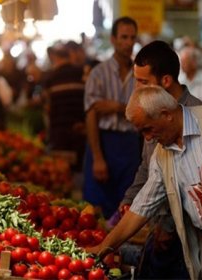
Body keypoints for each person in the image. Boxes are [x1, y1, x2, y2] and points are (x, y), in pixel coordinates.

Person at [87, 85, 202, 279]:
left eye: (148, 129)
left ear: (166, 114)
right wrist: (105, 247)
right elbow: (142, 207)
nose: (148, 138)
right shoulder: (161, 156)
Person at [116, 40, 202, 279]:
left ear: (165, 81)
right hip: (158, 225)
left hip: (189, 236)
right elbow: (147, 166)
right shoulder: (150, 109)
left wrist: (168, 225)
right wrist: (130, 199)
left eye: (143, 82)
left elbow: (195, 184)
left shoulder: (196, 114)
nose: (137, 88)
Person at [83, 16, 141, 219]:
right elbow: (91, 116)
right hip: (103, 142)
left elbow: (143, 114)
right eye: (123, 37)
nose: (128, 42)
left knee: (127, 205)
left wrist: (116, 107)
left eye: (132, 37)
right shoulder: (98, 73)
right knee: (98, 208)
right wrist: (98, 157)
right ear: (114, 39)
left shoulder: (140, 75)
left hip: (131, 144)